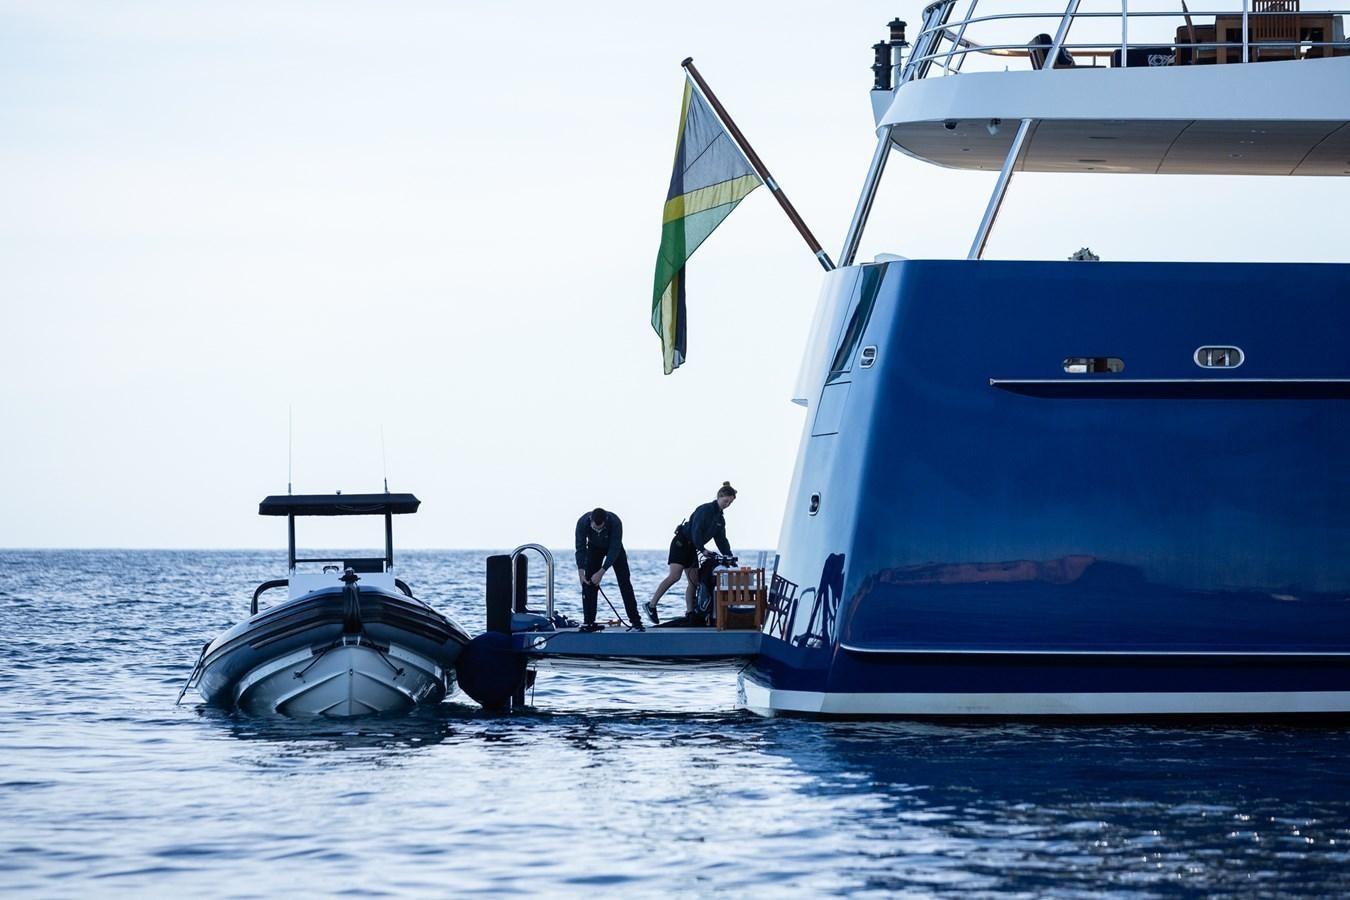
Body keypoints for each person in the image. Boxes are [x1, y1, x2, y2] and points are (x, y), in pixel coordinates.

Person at [645, 481, 737, 624]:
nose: (727, 505)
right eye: (726, 501)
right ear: (719, 496)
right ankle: (651, 605)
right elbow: (696, 531)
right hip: (681, 543)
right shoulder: (704, 510)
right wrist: (702, 549)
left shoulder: (720, 519)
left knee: (694, 582)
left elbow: (721, 540)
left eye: (730, 503)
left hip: (693, 547)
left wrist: (729, 556)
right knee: (675, 576)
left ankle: (690, 613)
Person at [575, 507, 643, 631]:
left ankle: (636, 621)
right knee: (588, 584)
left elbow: (614, 550)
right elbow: (580, 548)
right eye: (595, 528)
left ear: (605, 521)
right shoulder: (582, 523)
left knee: (625, 583)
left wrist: (601, 572)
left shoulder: (615, 522)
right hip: (594, 548)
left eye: (601, 528)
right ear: (591, 521)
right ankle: (588, 622)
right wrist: (581, 572)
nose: (598, 530)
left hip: (614, 549)